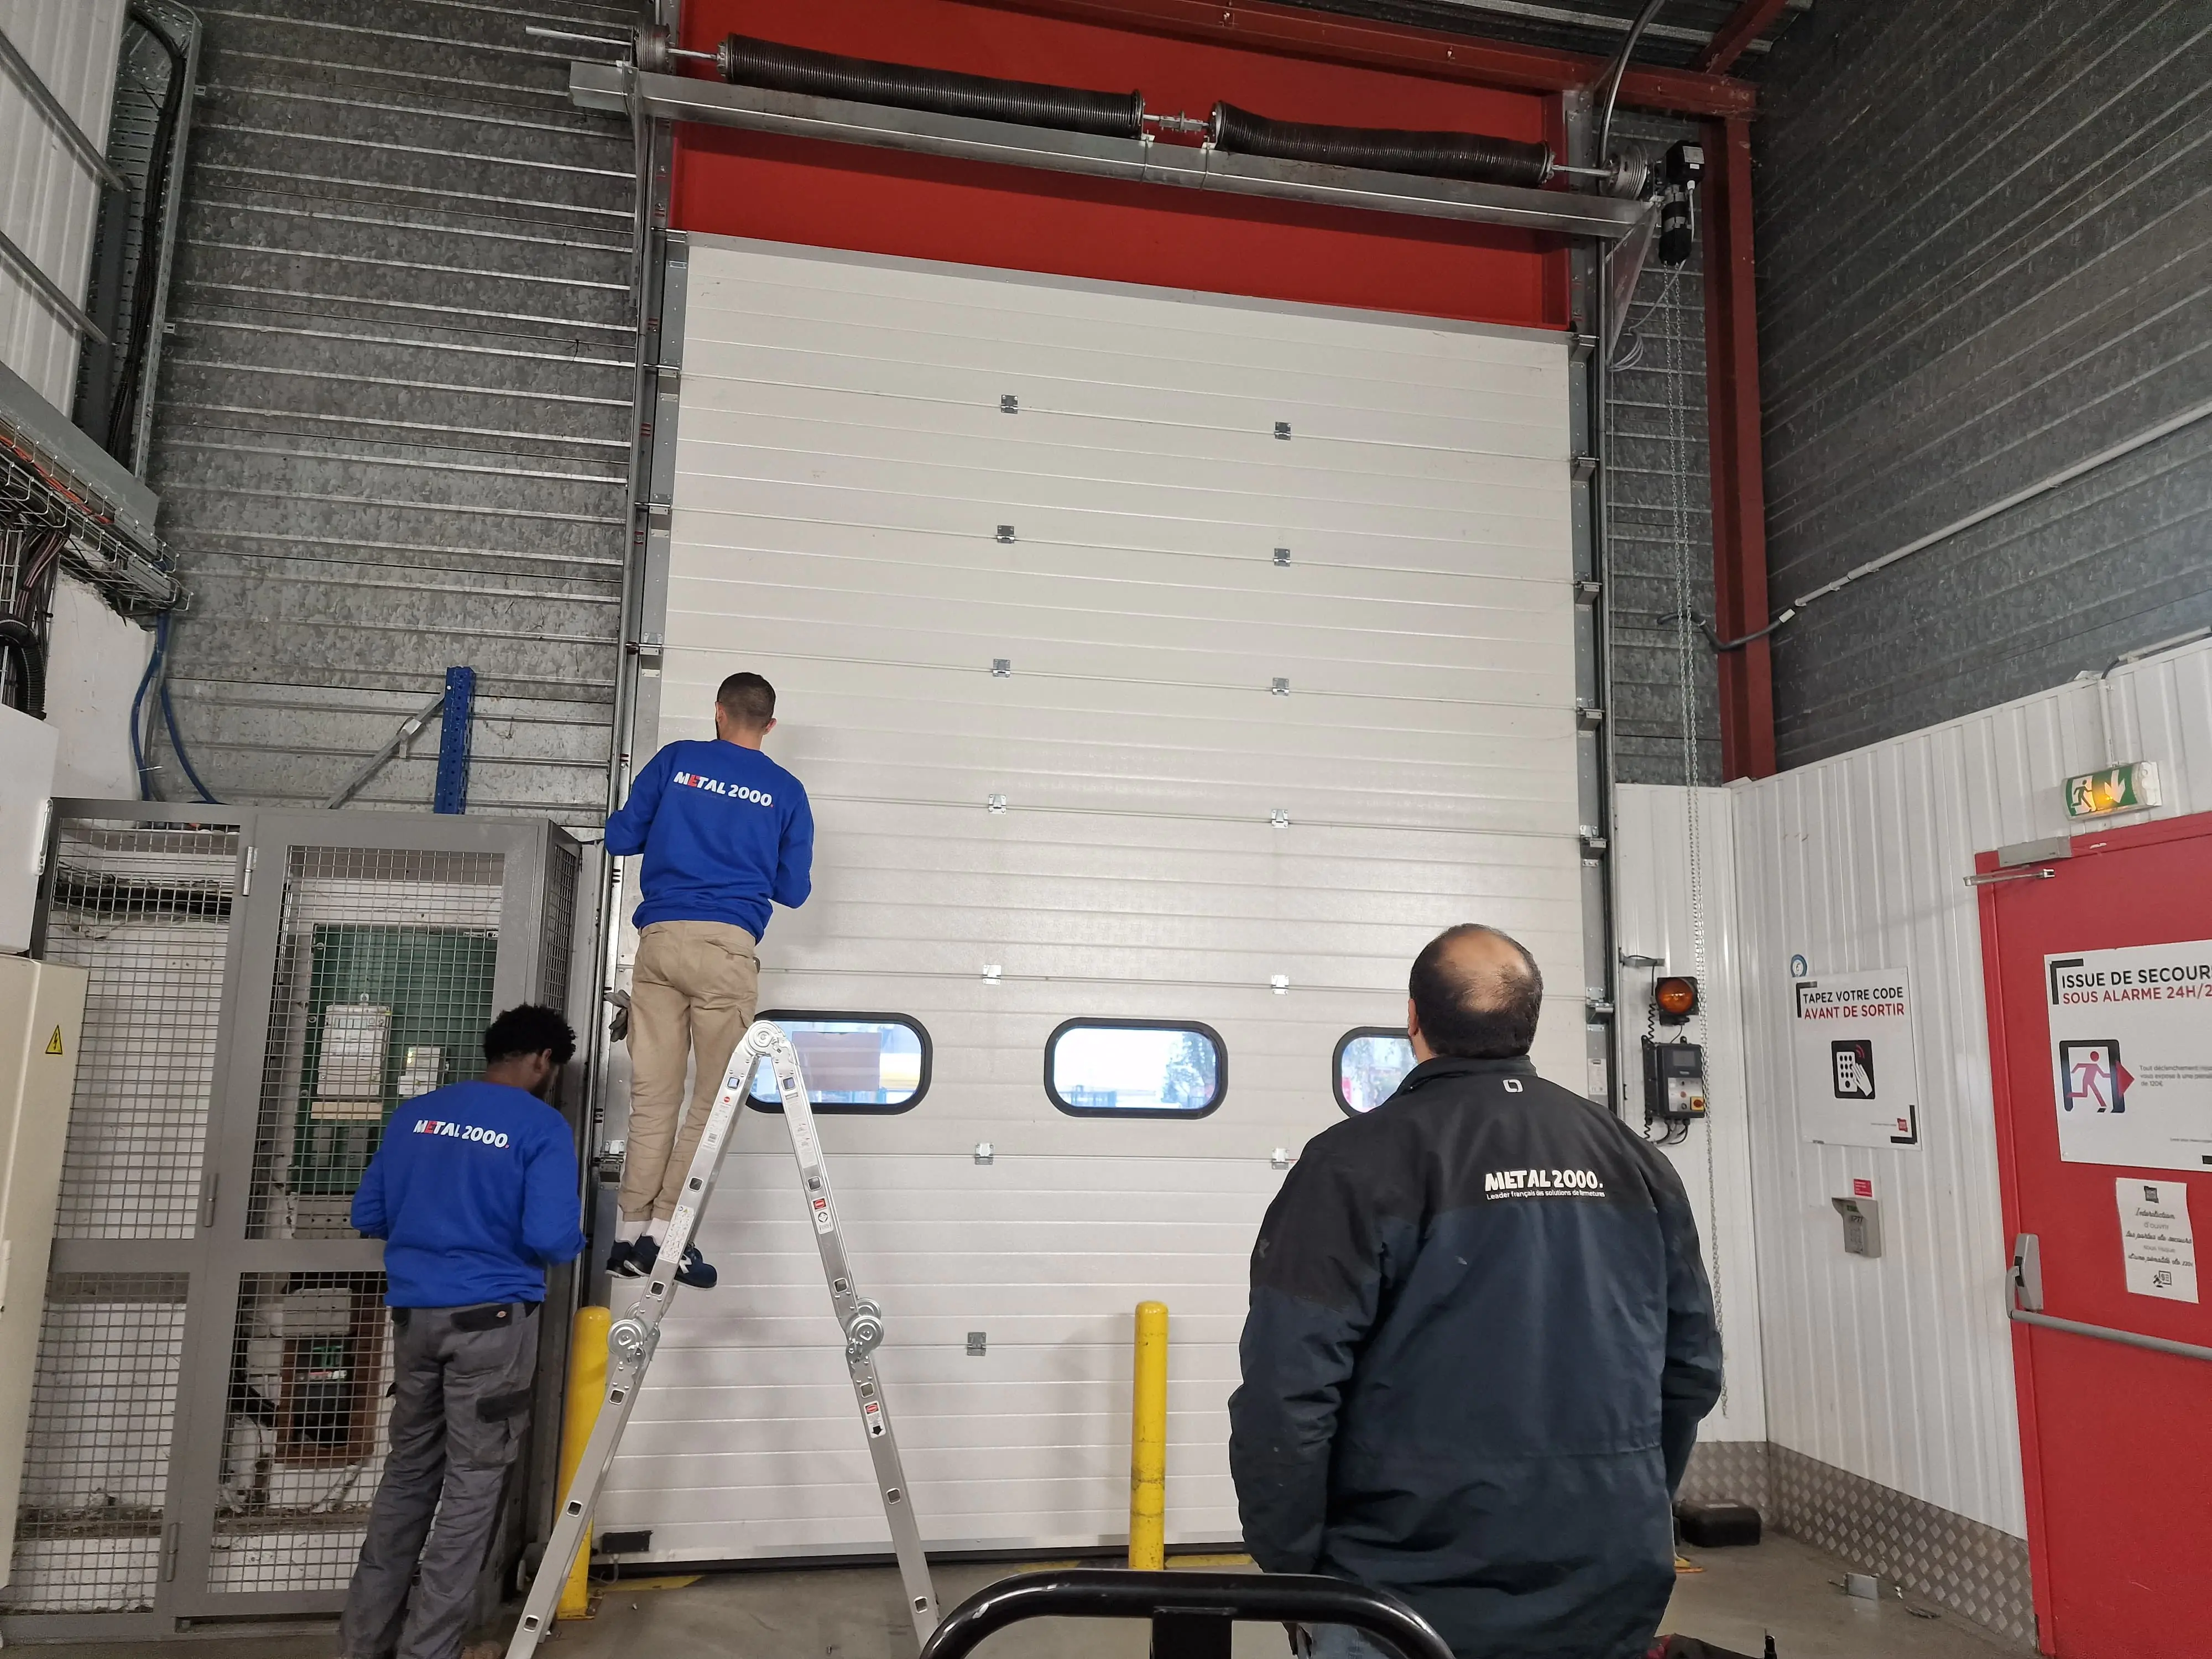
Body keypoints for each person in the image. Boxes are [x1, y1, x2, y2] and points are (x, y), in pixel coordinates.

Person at [1228, 925, 1722, 1659]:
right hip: (1607, 1579)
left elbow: (1287, 1393)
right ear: (1530, 1020)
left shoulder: (1352, 1166)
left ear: (1414, 1019)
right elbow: (1690, 1371)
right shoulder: (1634, 1161)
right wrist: (1627, 1506)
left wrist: (1294, 1570)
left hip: (1400, 1595)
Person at [341, 1004, 587, 1659]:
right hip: (492, 1325)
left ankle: (362, 1644)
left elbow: (369, 1212)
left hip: (415, 1320)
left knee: (407, 1478)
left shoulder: (414, 1114)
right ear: (542, 1062)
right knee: (474, 1487)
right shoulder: (541, 1127)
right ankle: (429, 1651)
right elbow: (551, 1239)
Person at [602, 670, 814, 1286]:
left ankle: (624, 1239)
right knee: (713, 1101)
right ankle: (664, 1238)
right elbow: (793, 890)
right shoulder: (787, 790)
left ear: (718, 711)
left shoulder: (676, 761)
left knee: (654, 1099)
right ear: (768, 726)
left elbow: (620, 837)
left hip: (661, 945)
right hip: (727, 949)